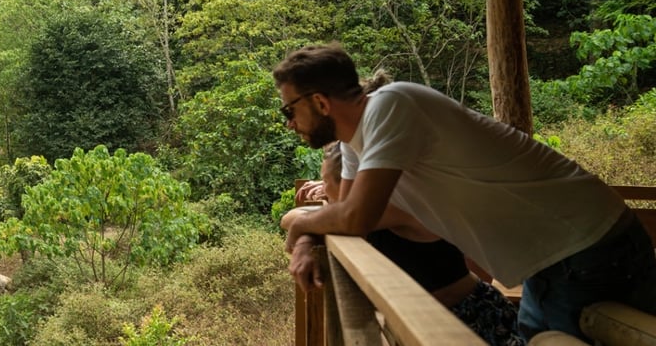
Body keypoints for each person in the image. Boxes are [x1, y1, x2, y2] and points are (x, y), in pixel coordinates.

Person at [273, 43, 656, 342]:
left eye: (288, 110)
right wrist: (307, 237)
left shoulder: (392, 105)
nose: (289, 124)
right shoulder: (357, 142)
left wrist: (298, 229)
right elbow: (345, 213)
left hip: (588, 248)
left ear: (321, 102)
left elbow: (358, 218)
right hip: (549, 262)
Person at [291, 142, 523, 345]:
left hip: (470, 318)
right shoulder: (371, 208)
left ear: (350, 181)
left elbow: (304, 220)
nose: (322, 193)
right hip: (434, 319)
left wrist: (304, 231)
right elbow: (295, 218)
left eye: (324, 181)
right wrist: (308, 233)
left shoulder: (391, 206)